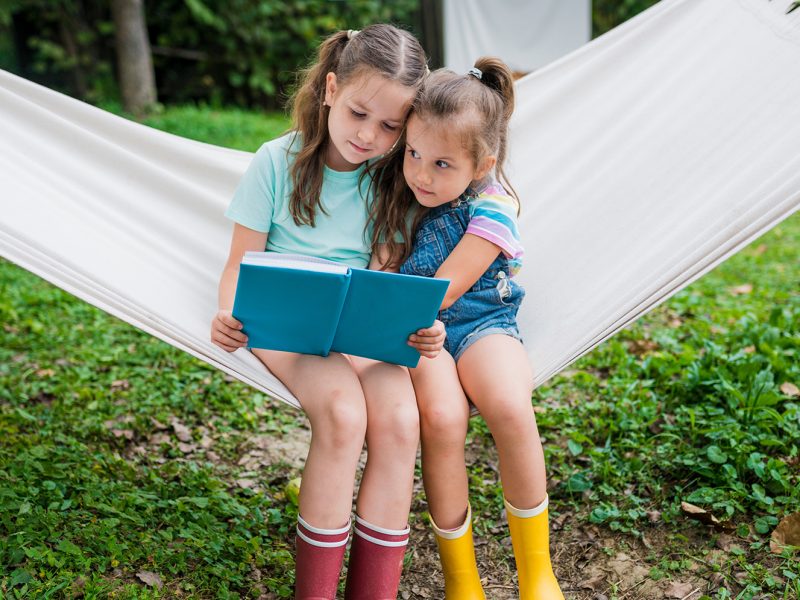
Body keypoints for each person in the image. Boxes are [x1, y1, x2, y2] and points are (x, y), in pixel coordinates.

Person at [210, 25, 445, 600]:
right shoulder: (275, 162)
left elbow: (385, 273)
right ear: (331, 89)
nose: (370, 136)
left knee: (398, 420)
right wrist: (227, 313)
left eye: (391, 126)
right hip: (285, 325)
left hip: (355, 330)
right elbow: (241, 264)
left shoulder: (392, 180)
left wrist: (411, 324)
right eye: (360, 113)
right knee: (343, 415)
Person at [369, 57, 564, 599]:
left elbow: (451, 284)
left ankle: (537, 573)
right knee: (443, 419)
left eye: (441, 164)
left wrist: (418, 309)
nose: (421, 174)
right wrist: (404, 321)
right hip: (418, 333)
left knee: (509, 405)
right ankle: (462, 579)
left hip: (482, 321)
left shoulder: (494, 205)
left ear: (482, 165)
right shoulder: (396, 200)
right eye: (412, 153)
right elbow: (386, 273)